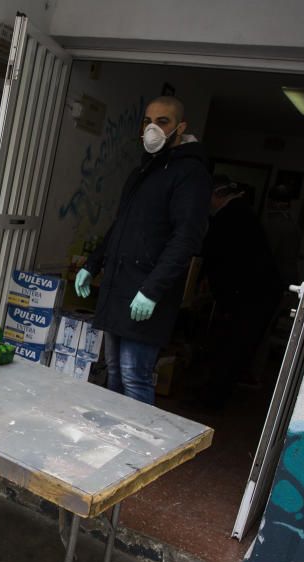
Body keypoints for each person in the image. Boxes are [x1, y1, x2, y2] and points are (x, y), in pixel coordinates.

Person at [74, 96, 211, 404]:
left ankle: (136, 448)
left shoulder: (190, 173)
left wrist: (152, 290)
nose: (153, 129)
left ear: (180, 127)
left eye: (162, 122)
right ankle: (112, 439)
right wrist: (92, 264)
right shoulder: (143, 171)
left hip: (146, 293)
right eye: (148, 121)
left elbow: (186, 237)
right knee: (114, 373)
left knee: (134, 375)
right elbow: (120, 226)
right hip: (118, 288)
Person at [199, 175, 284, 407]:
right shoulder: (241, 213)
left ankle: (212, 400)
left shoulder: (230, 217)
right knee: (236, 347)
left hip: (252, 295)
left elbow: (219, 258)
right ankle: (215, 396)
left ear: (218, 196)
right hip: (257, 293)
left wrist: (220, 296)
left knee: (233, 347)